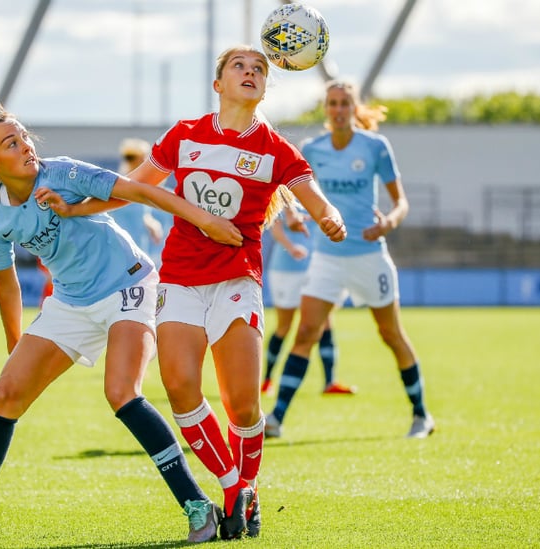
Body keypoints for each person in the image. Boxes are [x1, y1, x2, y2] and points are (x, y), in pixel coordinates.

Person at [43, 45, 347, 540]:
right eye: (238, 68)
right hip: (180, 278)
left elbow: (315, 199)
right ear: (218, 84)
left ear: (265, 89)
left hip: (236, 280)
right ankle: (236, 491)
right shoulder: (184, 135)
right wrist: (77, 209)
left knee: (243, 404)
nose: (249, 74)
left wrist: (330, 219)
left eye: (258, 70)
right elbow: (134, 187)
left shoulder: (276, 149)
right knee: (181, 387)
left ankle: (243, 489)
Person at [0, 107, 244, 543]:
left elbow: (140, 192)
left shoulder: (65, 173)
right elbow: (6, 282)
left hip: (128, 285)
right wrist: (17, 344)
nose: (25, 146)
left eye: (24, 136)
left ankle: (195, 503)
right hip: (69, 302)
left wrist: (204, 219)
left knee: (121, 392)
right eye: (10, 143)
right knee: (4, 396)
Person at [264, 80, 435, 440]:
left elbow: (401, 202)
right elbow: (291, 187)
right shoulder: (314, 148)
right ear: (325, 109)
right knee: (306, 332)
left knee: (390, 334)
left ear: (354, 108)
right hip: (327, 258)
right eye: (332, 103)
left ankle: (421, 415)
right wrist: (293, 214)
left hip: (369, 256)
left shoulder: (375, 146)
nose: (338, 110)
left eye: (344, 103)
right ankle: (276, 419)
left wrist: (388, 221)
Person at [262, 212, 354, 395]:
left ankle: (330, 382)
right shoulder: (284, 193)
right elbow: (276, 230)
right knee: (284, 326)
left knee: (325, 321)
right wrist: (291, 247)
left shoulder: (319, 195)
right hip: (285, 271)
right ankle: (266, 380)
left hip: (314, 269)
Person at [109, 138, 166, 264]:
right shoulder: (117, 184)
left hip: (139, 243)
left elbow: (142, 212)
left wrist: (151, 223)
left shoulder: (145, 185)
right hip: (119, 244)